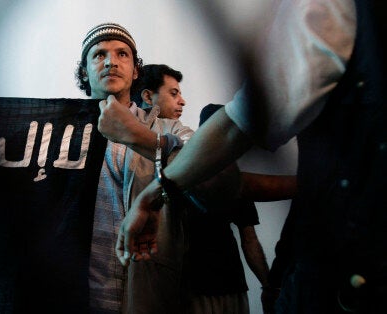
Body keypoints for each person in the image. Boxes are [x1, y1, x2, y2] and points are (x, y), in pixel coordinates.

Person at [117, 0, 386, 313]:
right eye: (173, 93)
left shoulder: (191, 136)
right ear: (148, 95)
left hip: (339, 265)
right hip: (182, 280)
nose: (182, 99)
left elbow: (231, 181)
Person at [76, 24, 237, 313]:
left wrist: (142, 138)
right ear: (85, 72)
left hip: (149, 292)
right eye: (99, 54)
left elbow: (215, 182)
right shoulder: (59, 135)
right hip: (81, 290)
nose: (111, 61)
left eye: (122, 54)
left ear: (136, 70)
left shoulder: (170, 129)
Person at [187, 104, 270, 314]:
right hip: (195, 288)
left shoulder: (234, 179)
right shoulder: (184, 173)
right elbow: (249, 239)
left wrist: (269, 286)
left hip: (228, 285)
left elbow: (249, 239)